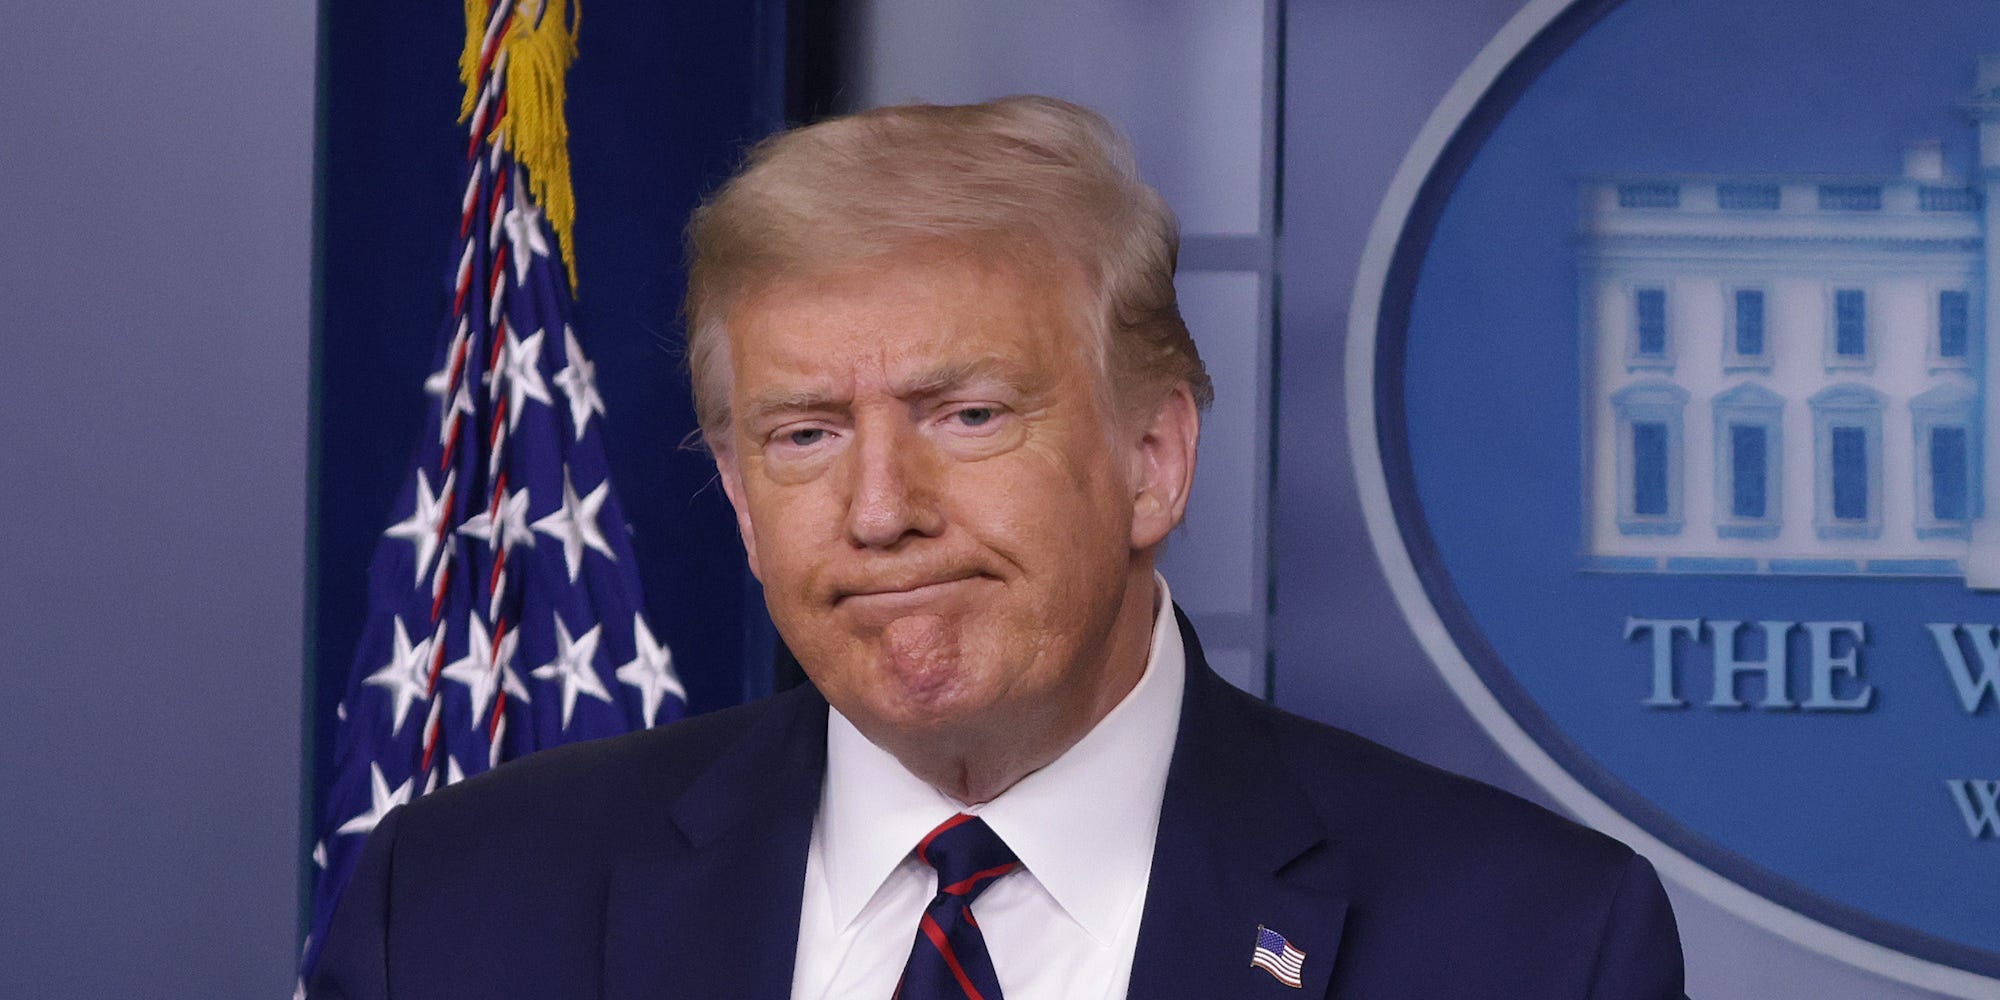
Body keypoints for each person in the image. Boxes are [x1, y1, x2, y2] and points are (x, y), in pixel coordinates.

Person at [309, 96, 1685, 999]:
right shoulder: (459, 912)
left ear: (1155, 457)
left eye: (966, 415)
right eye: (802, 436)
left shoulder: (1530, 946)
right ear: (734, 493)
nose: (878, 507)